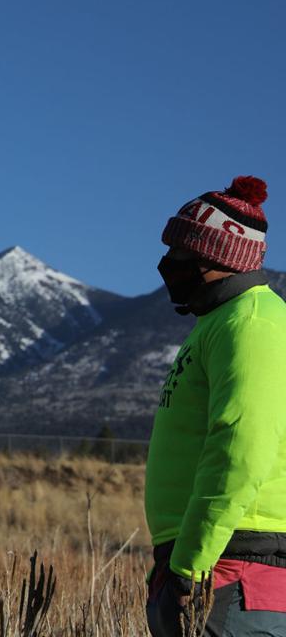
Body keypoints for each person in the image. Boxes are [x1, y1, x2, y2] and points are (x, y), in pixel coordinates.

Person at [146, 176, 286, 637]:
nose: (168, 265)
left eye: (182, 254)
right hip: (210, 564)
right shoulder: (218, 325)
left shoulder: (251, 325)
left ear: (216, 259)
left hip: (231, 566)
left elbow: (240, 448)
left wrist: (191, 562)